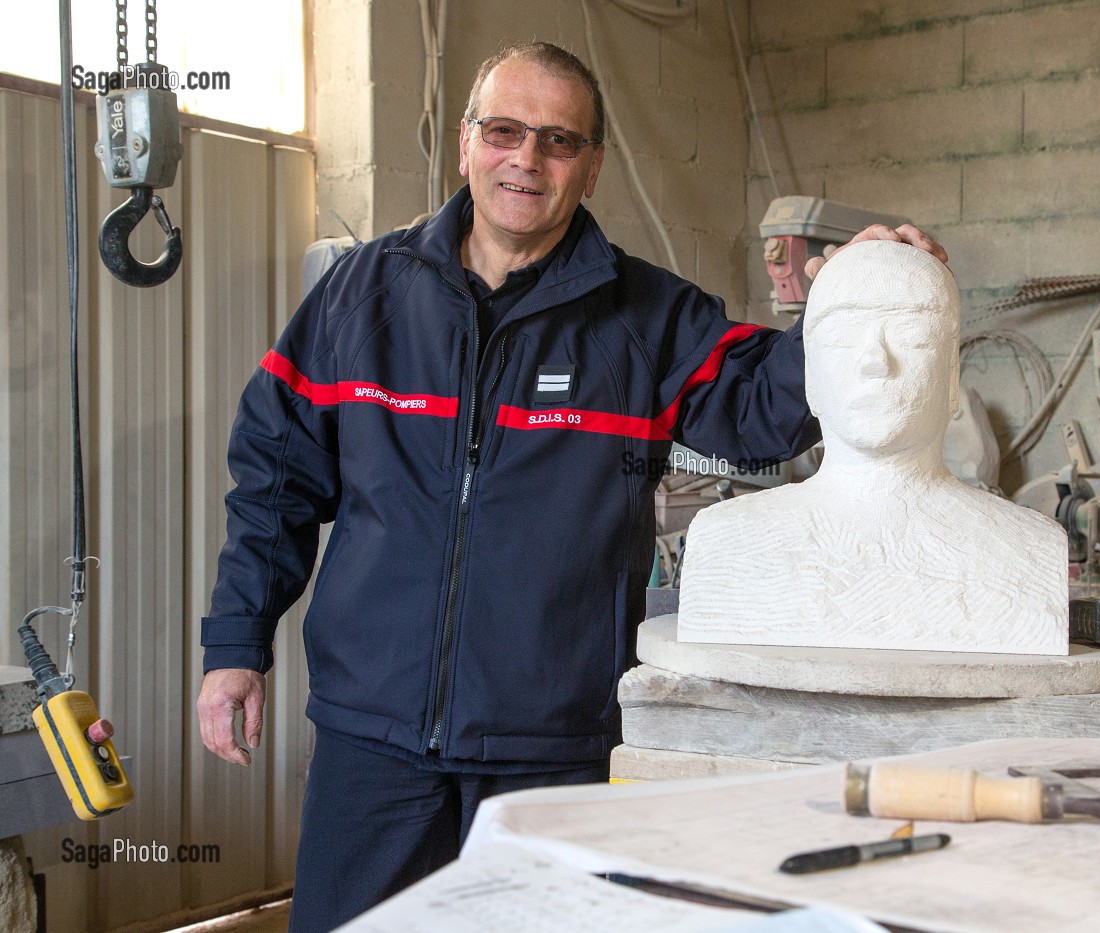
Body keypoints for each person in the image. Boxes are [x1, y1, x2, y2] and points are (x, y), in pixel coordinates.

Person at [196, 41, 945, 931]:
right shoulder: (360, 298)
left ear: (590, 168)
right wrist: (236, 644)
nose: (527, 158)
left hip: (554, 749)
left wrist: (852, 301)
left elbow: (761, 411)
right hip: (373, 743)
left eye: (558, 141)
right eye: (505, 131)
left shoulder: (647, 318)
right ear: (467, 143)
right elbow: (277, 482)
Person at [678, 240, 1068, 656]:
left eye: (911, 335)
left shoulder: (1024, 551)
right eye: (843, 336)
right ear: (810, 376)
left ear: (952, 374)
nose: (875, 361)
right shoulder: (732, 545)